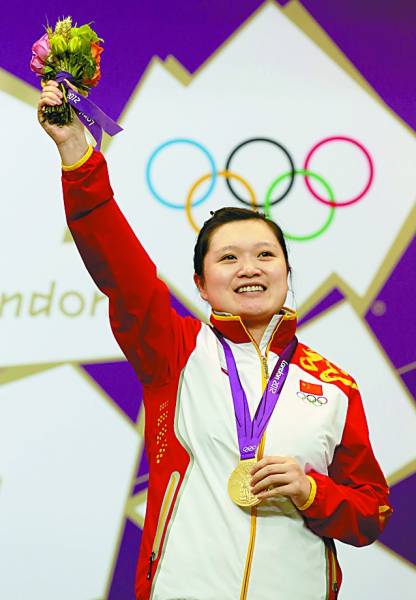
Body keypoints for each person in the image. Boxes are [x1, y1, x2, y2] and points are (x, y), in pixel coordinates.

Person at [38, 81, 392, 600]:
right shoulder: (176, 350)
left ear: (287, 272)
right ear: (201, 284)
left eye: (265, 255)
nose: (249, 268)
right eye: (228, 258)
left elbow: (371, 513)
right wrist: (76, 154)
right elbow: (120, 267)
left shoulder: (335, 387)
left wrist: (311, 491)